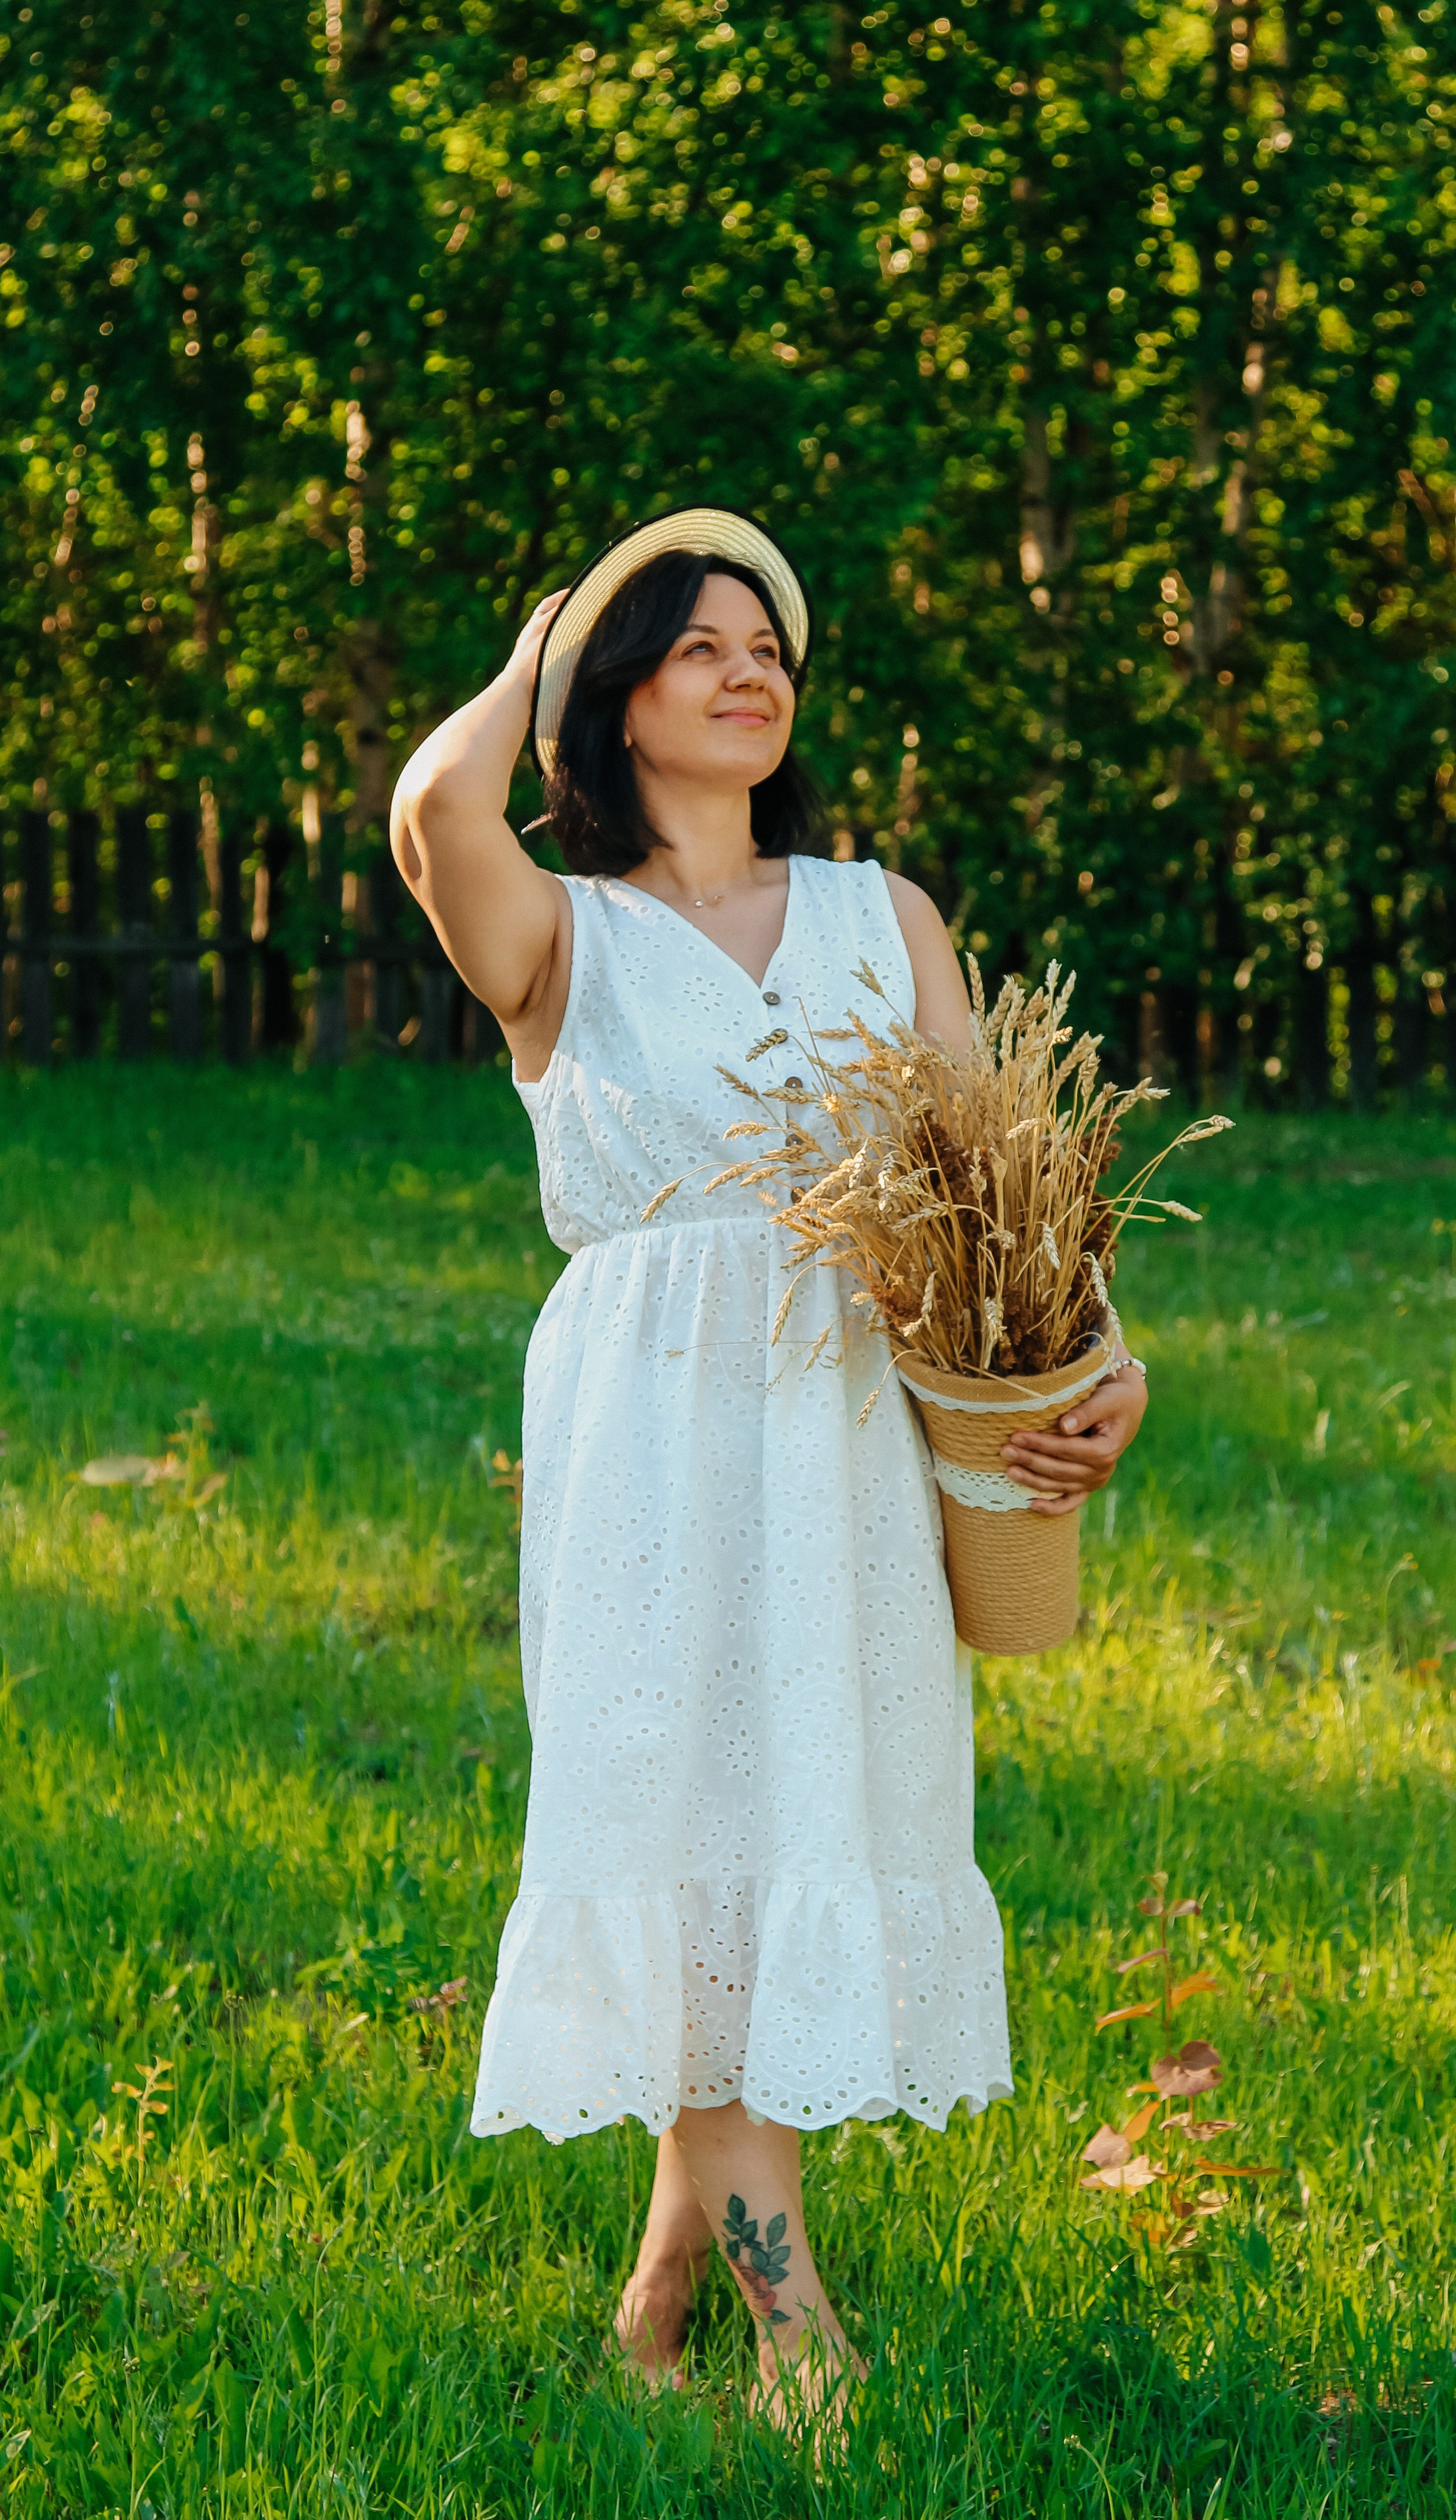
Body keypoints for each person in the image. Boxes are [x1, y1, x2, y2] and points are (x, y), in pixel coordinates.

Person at [388, 509, 1147, 2427]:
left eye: (771, 652)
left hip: (840, 1421)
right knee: (669, 1798)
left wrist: (1107, 1363)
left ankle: (681, 2263)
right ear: (613, 702)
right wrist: (545, 630)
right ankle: (776, 2294)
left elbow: (1008, 1184)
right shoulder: (564, 935)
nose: (749, 672)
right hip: (647, 1428)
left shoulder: (876, 916)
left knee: (811, 1793)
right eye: (696, 647)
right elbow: (429, 813)